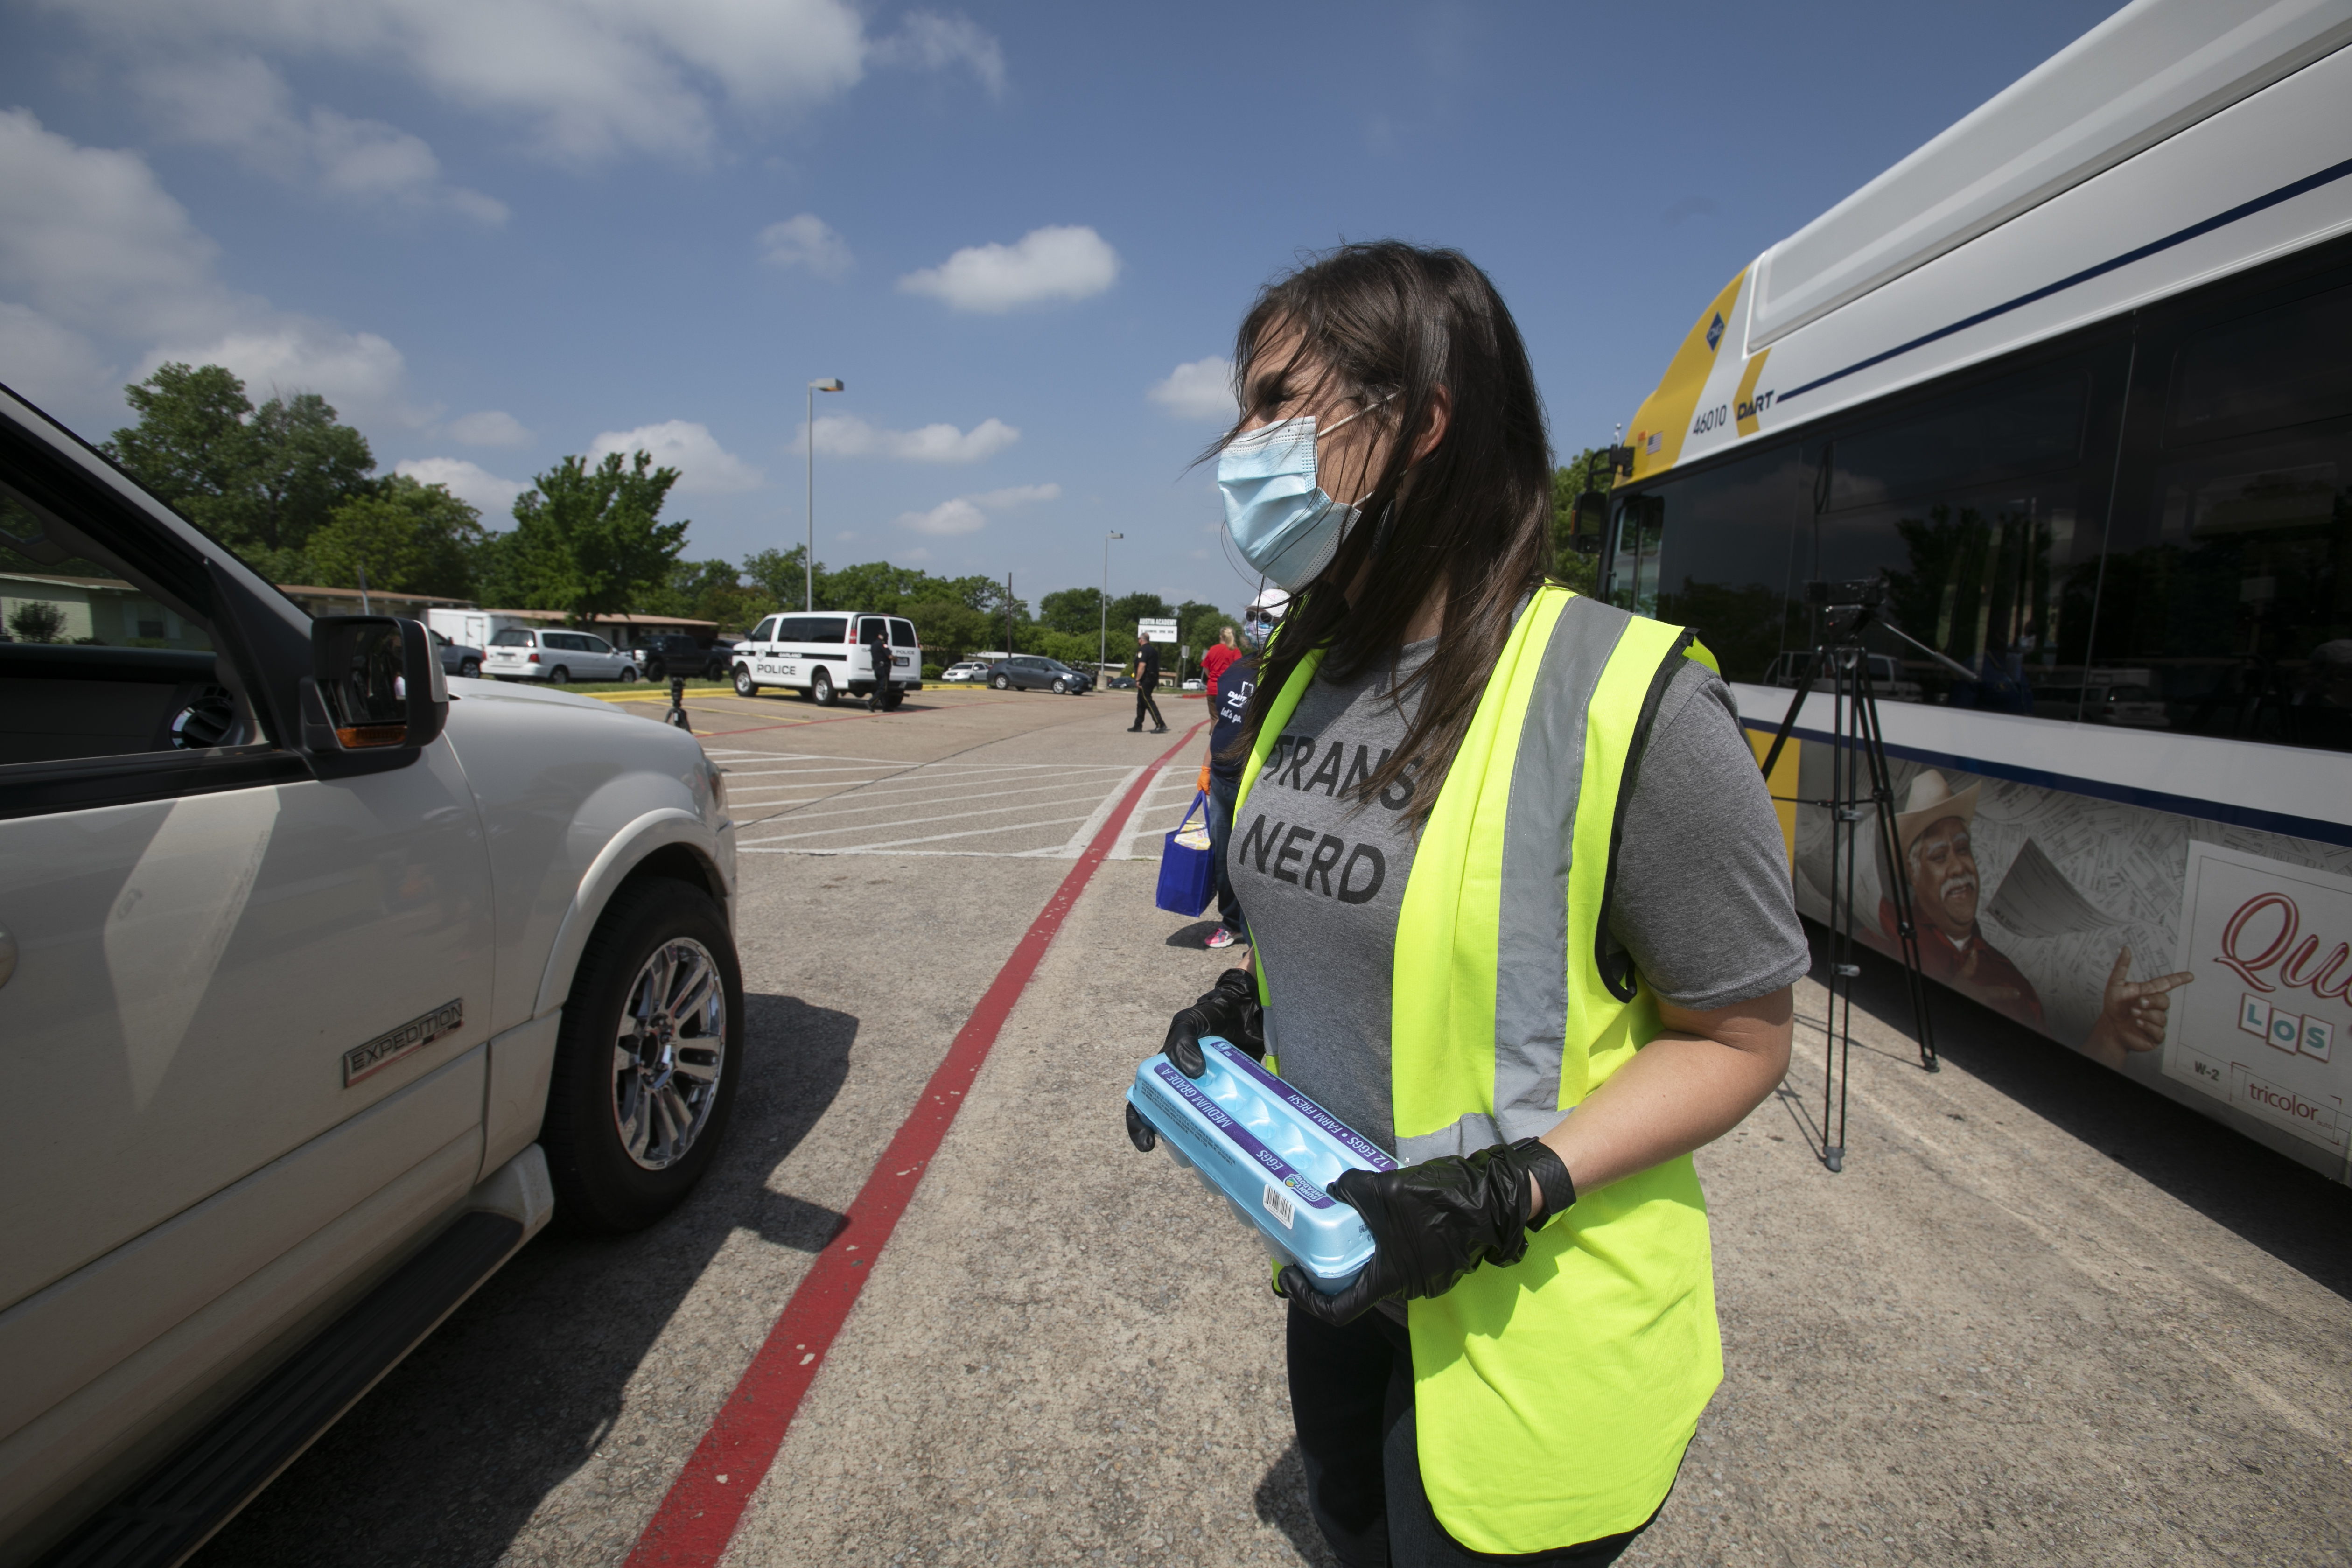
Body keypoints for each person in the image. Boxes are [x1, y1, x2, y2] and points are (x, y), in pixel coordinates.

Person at [1151, 242, 1806, 1566]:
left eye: (1282, 403)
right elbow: (1368, 926)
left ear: (1421, 424)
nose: (1244, 443)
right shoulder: (1312, 668)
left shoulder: (1629, 694)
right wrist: (1252, 1011)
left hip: (1529, 1313)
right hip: (1346, 1273)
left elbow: (1743, 1040)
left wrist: (1510, 1188)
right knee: (1348, 1528)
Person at [1877, 769, 2190, 1065]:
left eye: (1963, 849)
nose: (1959, 868)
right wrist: (1945, 1011)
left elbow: (2060, 1084)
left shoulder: (2012, 982)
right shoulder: (1888, 934)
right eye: (1939, 857)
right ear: (1912, 873)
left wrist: (2112, 1034)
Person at [1203, 592, 1284, 951]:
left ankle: (1260, 938)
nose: (1254, 623)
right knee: (1222, 860)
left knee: (1254, 864)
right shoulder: (1237, 669)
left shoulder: (1288, 674)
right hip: (1221, 779)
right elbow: (1219, 721)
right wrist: (1205, 765)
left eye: (1264, 617)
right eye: (1251, 615)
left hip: (1256, 785)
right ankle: (1231, 923)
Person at [1129, 632, 1166, 733]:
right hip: (1152, 678)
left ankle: (1160, 724)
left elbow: (1142, 665)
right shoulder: (1153, 650)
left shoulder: (1143, 650)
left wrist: (1137, 680)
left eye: (1138, 639)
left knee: (1147, 701)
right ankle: (1138, 725)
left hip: (1146, 679)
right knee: (1141, 702)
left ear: (1141, 640)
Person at [863, 618, 895, 712]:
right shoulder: (883, 645)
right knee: (883, 689)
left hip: (877, 669)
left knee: (884, 688)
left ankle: (886, 707)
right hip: (883, 669)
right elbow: (889, 656)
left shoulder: (874, 645)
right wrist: (896, 658)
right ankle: (871, 703)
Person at [1202, 623, 1243, 691]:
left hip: (1212, 688)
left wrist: (1213, 679)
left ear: (1221, 637)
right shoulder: (1235, 651)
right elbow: (1239, 669)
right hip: (1227, 688)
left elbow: (1206, 669)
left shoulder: (1213, 649)